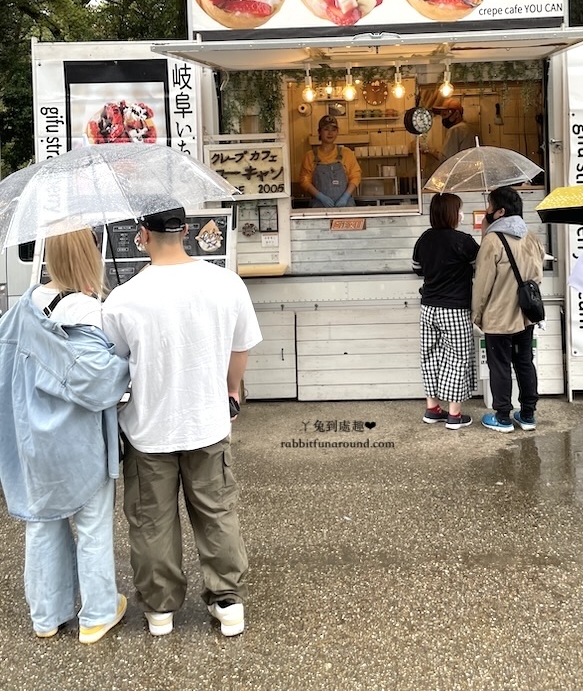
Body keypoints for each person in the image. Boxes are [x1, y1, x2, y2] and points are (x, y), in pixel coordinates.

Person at [102, 206, 262, 638]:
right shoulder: (225, 283)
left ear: (142, 235)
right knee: (216, 512)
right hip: (207, 422)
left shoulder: (123, 298)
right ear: (187, 232)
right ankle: (228, 603)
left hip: (147, 429)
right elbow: (241, 347)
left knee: (152, 521)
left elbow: (113, 362)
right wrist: (231, 390)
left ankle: (160, 611)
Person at [0, 228, 129, 643]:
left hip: (33, 441)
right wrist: (125, 365)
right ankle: (96, 615)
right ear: (89, 255)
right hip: (81, 442)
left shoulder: (23, 307)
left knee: (42, 523)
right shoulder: (88, 311)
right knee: (91, 526)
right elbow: (98, 381)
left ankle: (46, 618)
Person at [472, 186, 545, 433]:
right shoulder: (531, 237)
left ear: (500, 212)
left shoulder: (492, 241)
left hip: (498, 317)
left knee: (500, 365)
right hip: (525, 316)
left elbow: (482, 285)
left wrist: (477, 315)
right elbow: (537, 277)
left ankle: (502, 417)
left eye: (490, 206)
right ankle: (527, 415)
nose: (487, 210)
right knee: (525, 362)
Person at [412, 193, 480, 429]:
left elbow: (417, 269)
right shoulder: (463, 241)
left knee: (430, 356)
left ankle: (432, 409)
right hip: (455, 310)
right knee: (457, 359)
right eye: (460, 210)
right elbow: (480, 267)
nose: (462, 214)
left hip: (428, 308)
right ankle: (454, 415)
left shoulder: (424, 239)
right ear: (451, 213)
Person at [299, 114, 362, 207]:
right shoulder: (310, 156)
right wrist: (319, 196)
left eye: (333, 130)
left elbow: (356, 176)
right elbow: (304, 180)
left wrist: (345, 196)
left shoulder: (346, 153)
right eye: (326, 129)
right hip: (319, 206)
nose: (330, 133)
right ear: (319, 132)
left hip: (345, 206)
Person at [432, 97, 477, 161]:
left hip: (460, 169)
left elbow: (445, 158)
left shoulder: (455, 130)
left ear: (456, 114)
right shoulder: (470, 128)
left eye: (445, 114)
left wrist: (430, 150)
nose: (443, 118)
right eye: (442, 115)